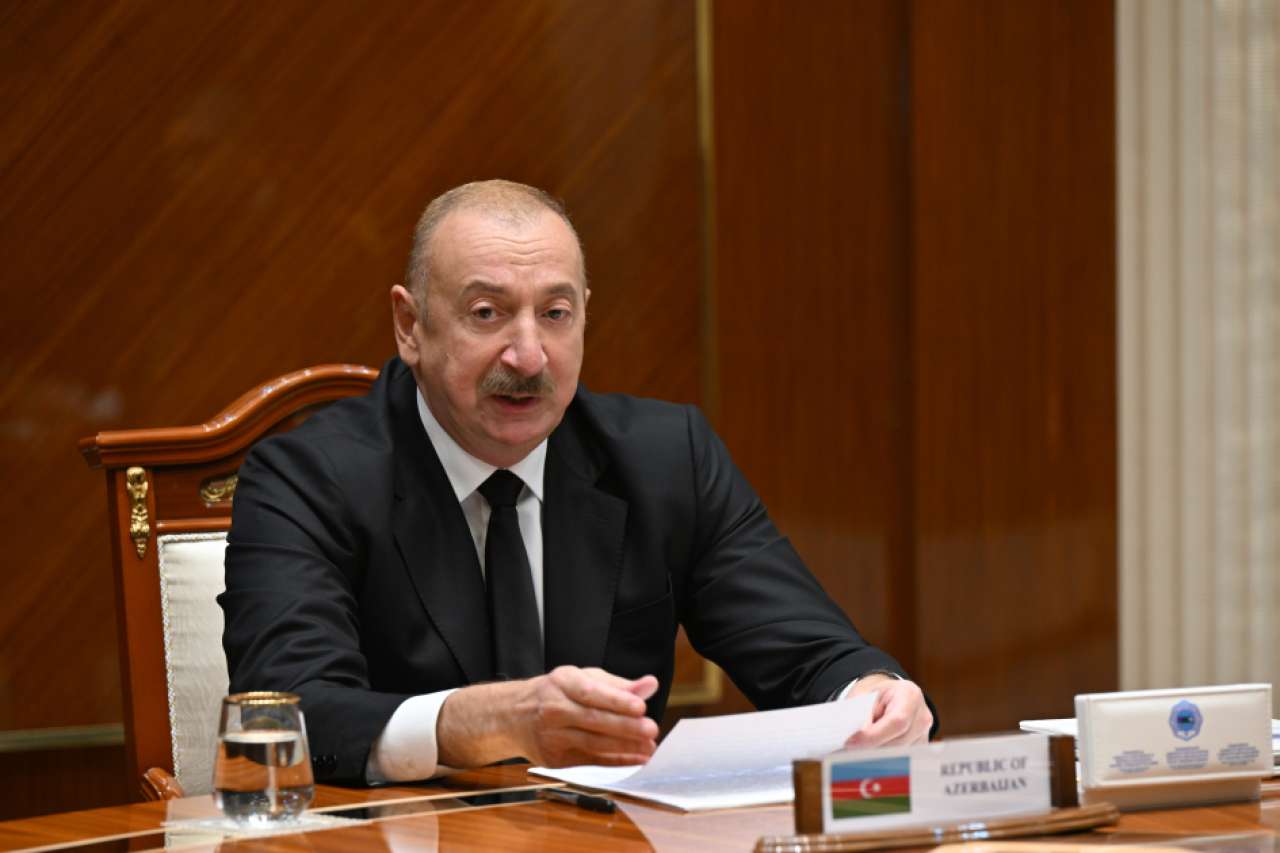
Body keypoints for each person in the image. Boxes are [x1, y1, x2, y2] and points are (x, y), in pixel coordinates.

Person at [219, 180, 934, 785]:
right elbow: (286, 711)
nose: (529, 356)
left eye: (555, 314)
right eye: (487, 314)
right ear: (411, 326)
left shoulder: (665, 458)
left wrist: (874, 696)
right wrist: (484, 722)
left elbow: (809, 652)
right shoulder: (307, 478)